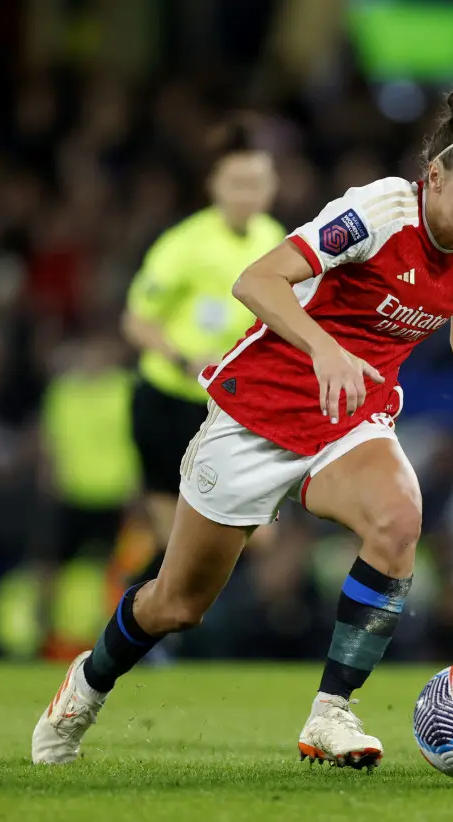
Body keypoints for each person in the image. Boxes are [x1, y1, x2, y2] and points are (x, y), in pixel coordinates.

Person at [32, 89, 453, 769]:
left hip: (350, 419)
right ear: (435, 177)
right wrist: (326, 348)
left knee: (399, 520)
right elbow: (257, 282)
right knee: (177, 604)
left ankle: (332, 713)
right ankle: (85, 686)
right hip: (259, 414)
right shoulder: (375, 212)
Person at [121, 113, 284, 580]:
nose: (247, 194)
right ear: (214, 184)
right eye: (237, 183)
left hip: (229, 411)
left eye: (257, 183)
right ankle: (139, 629)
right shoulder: (185, 244)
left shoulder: (275, 241)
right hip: (168, 404)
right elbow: (135, 320)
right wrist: (182, 357)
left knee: (248, 539)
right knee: (181, 546)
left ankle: (138, 621)